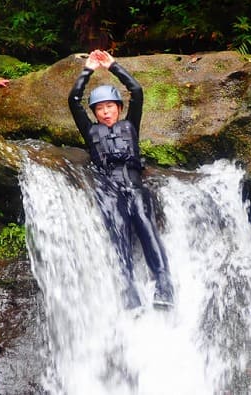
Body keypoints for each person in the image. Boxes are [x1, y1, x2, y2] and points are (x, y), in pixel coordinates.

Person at [68, 50, 175, 309]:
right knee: (118, 234)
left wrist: (113, 66)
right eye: (100, 109)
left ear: (118, 108)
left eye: (110, 107)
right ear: (94, 112)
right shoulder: (90, 130)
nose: (105, 113)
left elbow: (136, 91)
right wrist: (88, 69)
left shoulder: (130, 126)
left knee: (145, 225)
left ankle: (164, 286)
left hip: (134, 185)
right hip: (108, 188)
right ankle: (129, 293)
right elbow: (73, 100)